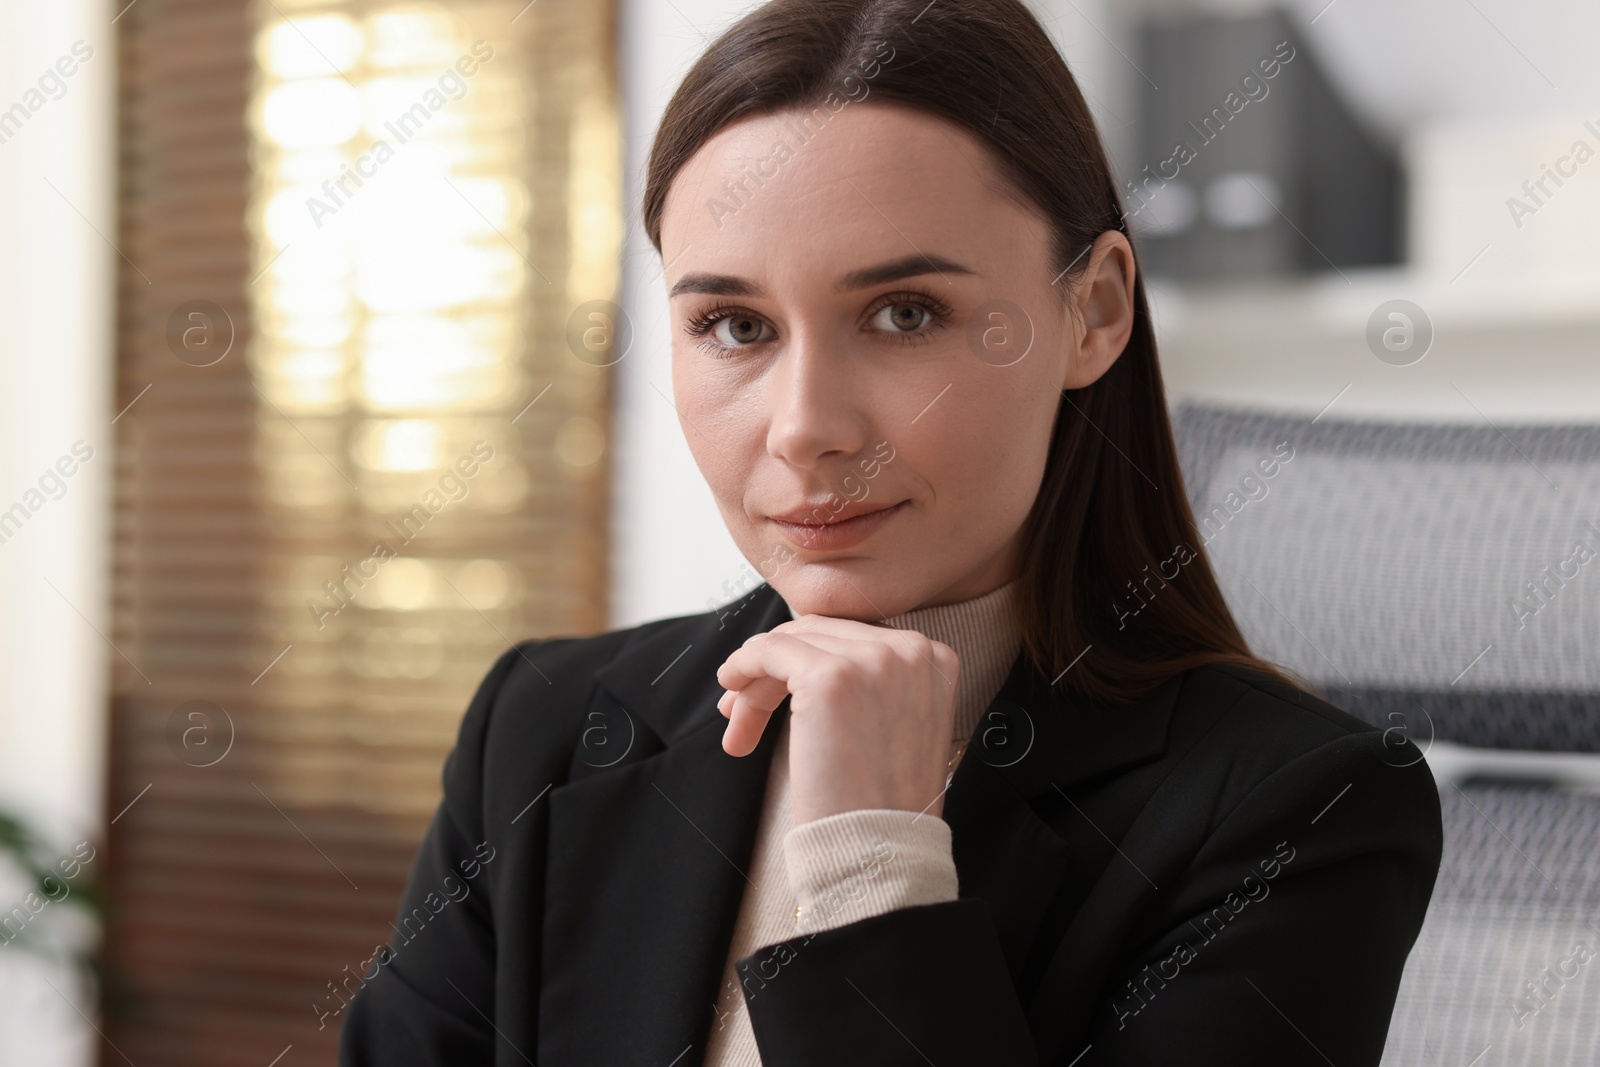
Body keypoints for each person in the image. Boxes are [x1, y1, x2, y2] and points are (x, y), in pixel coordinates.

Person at [340, 1, 1442, 1063]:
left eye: (904, 313)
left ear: (1093, 311)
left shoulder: (1302, 812)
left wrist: (873, 861)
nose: (806, 428)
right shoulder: (541, 727)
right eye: (732, 325)